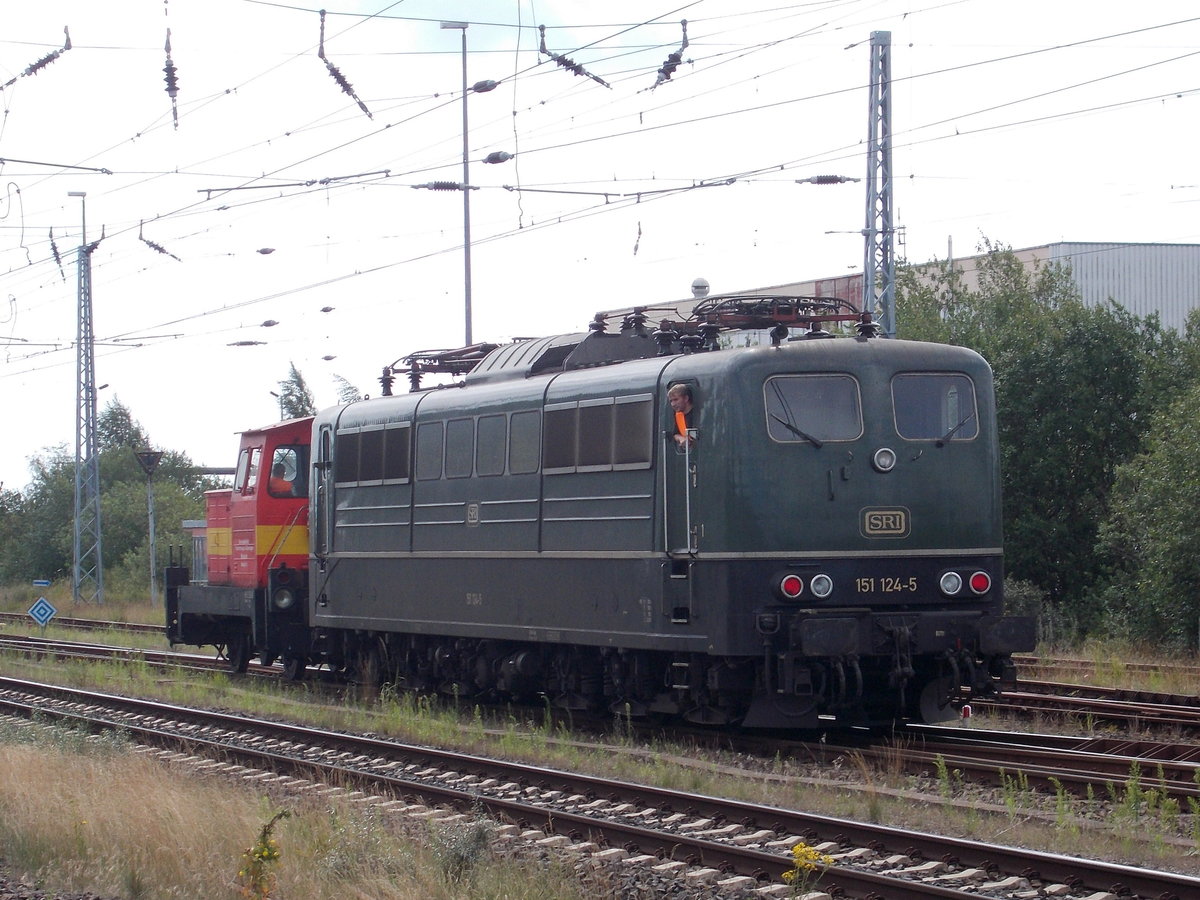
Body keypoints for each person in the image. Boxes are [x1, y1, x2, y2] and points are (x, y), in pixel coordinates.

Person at [667, 383, 695, 449]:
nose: (673, 404)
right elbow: (675, 434)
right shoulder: (678, 415)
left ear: (686, 398)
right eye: (671, 401)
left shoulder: (697, 413)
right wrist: (681, 438)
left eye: (676, 399)